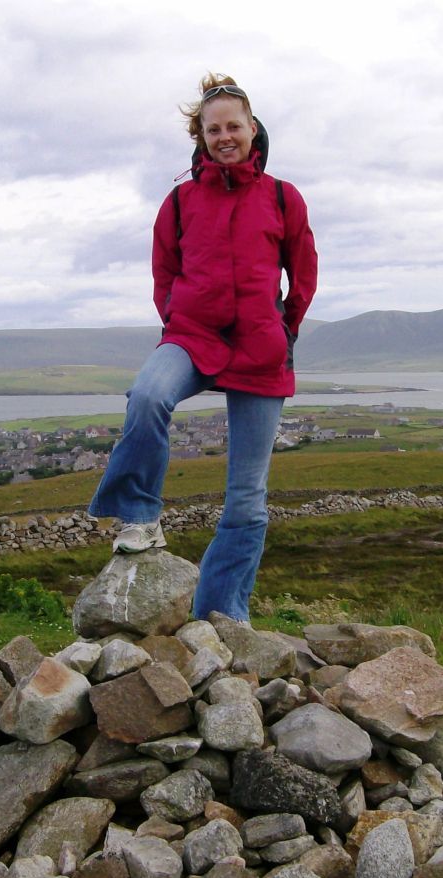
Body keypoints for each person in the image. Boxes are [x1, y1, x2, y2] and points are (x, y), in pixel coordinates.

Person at [88, 73, 318, 622]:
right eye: (213, 129)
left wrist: (283, 330)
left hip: (260, 349)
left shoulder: (283, 197)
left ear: (252, 127)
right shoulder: (180, 200)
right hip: (192, 336)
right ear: (201, 136)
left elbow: (303, 274)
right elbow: (163, 270)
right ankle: (140, 515)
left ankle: (221, 615)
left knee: (246, 498)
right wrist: (175, 315)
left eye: (233, 126)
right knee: (146, 396)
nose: (225, 136)